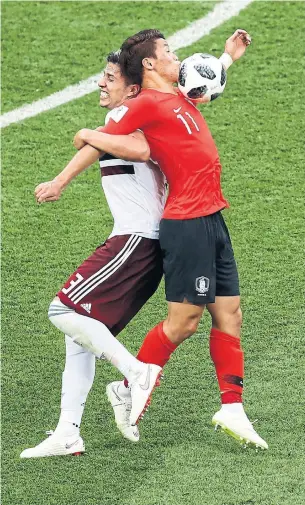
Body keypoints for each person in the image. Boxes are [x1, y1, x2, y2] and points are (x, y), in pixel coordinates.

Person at [74, 29, 268, 450]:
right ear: (149, 64)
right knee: (185, 323)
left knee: (229, 314)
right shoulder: (142, 103)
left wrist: (229, 56)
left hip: (213, 217)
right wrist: (87, 138)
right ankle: (126, 388)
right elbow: (115, 135)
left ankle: (232, 406)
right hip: (186, 223)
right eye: (168, 51)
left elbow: (205, 79)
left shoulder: (182, 91)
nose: (176, 56)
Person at [20, 51, 167, 458]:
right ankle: (68, 432)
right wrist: (89, 138)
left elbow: (137, 149)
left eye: (110, 78)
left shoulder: (133, 120)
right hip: (143, 244)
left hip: (136, 242)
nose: (101, 83)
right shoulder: (130, 122)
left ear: (133, 89)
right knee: (78, 336)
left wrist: (64, 175)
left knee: (61, 311)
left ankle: (136, 374)